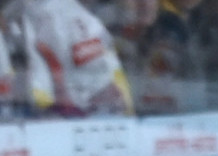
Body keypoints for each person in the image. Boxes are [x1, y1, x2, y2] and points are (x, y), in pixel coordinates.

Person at [2, 0, 135, 116]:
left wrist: (63, 109)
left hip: (76, 128)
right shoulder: (16, 11)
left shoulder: (73, 18)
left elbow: (108, 96)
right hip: (26, 122)